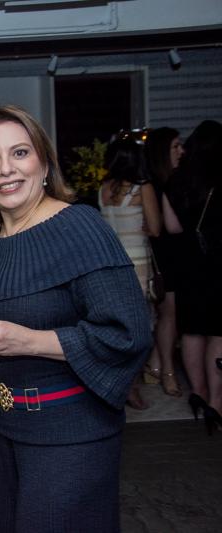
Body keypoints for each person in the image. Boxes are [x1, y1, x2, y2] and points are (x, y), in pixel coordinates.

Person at [0, 105, 150, 532]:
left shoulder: (79, 226)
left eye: (20, 153)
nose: (6, 169)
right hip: (3, 430)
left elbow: (129, 333)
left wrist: (30, 341)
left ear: (45, 164)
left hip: (70, 436)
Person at [163, 119, 222, 435]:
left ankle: (197, 393)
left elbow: (172, 228)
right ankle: (216, 401)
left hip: (187, 265)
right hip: (216, 264)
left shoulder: (175, 181)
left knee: (192, 331)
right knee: (217, 334)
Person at [98, 135, 161, 409]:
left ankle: (117, 384)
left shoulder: (103, 189)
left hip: (111, 266)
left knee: (119, 329)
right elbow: (156, 228)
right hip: (137, 265)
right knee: (141, 329)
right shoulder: (142, 188)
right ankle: (131, 386)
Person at [144, 127, 184, 396]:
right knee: (167, 315)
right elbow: (160, 228)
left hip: (171, 256)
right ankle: (167, 371)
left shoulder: (170, 180)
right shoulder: (157, 184)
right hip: (162, 257)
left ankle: (155, 365)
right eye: (175, 146)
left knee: (166, 317)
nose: (182, 151)